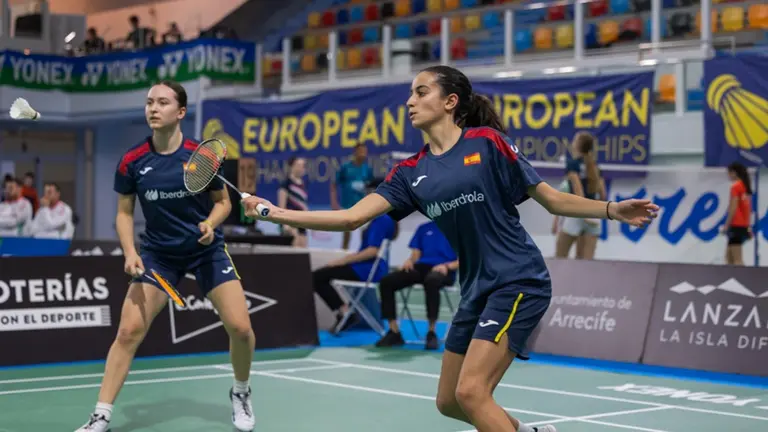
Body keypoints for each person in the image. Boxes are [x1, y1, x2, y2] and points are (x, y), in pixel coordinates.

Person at [241, 65, 657, 432]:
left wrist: (612, 209)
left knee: (472, 392)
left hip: (518, 279)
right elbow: (351, 217)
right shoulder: (410, 172)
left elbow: (551, 199)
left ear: (450, 101)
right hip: (475, 290)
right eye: (410, 93)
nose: (410, 101)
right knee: (449, 402)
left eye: (421, 92)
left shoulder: (487, 143)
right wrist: (275, 212)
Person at [75, 80, 256, 432]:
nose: (153, 109)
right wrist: (130, 252)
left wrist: (210, 223)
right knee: (128, 331)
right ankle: (101, 414)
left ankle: (241, 391)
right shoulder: (132, 161)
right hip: (159, 255)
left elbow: (223, 203)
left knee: (241, 328)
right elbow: (124, 213)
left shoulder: (200, 156)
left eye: (162, 102)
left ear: (181, 111)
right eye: (149, 102)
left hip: (206, 251)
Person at [312, 178, 398, 333]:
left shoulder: (382, 219)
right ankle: (346, 312)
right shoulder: (382, 217)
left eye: (368, 192)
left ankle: (345, 313)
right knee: (321, 274)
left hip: (368, 269)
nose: (365, 196)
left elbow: (372, 251)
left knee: (318, 276)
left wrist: (343, 261)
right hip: (365, 267)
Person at [375, 220, 458, 350]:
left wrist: (447, 266)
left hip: (444, 270)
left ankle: (431, 333)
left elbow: (464, 258)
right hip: (422, 267)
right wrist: (409, 261)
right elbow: (415, 254)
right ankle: (394, 331)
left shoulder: (458, 229)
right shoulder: (424, 228)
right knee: (387, 281)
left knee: (432, 281)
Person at [554, 131, 606, 260]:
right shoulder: (595, 166)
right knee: (586, 264)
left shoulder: (572, 164)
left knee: (559, 257)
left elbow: (578, 192)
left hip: (578, 213)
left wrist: (583, 212)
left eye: (574, 140)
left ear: (577, 145)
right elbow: (603, 195)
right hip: (593, 215)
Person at [330, 143, 374, 249]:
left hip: (362, 207)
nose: (363, 154)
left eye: (365, 152)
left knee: (365, 233)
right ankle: (344, 253)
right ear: (355, 152)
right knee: (346, 233)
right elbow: (334, 184)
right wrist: (334, 203)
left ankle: (363, 254)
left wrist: (370, 204)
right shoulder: (345, 167)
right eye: (361, 151)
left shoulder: (367, 169)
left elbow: (371, 188)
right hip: (347, 206)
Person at [722, 162, 752, 266]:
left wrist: (726, 225)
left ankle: (744, 276)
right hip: (742, 226)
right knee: (729, 257)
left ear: (734, 173)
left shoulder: (735, 187)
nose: (728, 176)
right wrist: (748, 226)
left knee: (737, 260)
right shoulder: (745, 186)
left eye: (729, 173)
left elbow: (733, 208)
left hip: (736, 226)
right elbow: (747, 209)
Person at [278, 156, 309, 247]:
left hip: (302, 222)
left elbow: (303, 204)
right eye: (298, 165)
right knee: (295, 248)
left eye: (303, 166)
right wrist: (285, 225)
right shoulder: (286, 184)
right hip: (290, 222)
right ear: (291, 166)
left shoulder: (303, 184)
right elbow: (281, 207)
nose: (301, 168)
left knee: (303, 249)